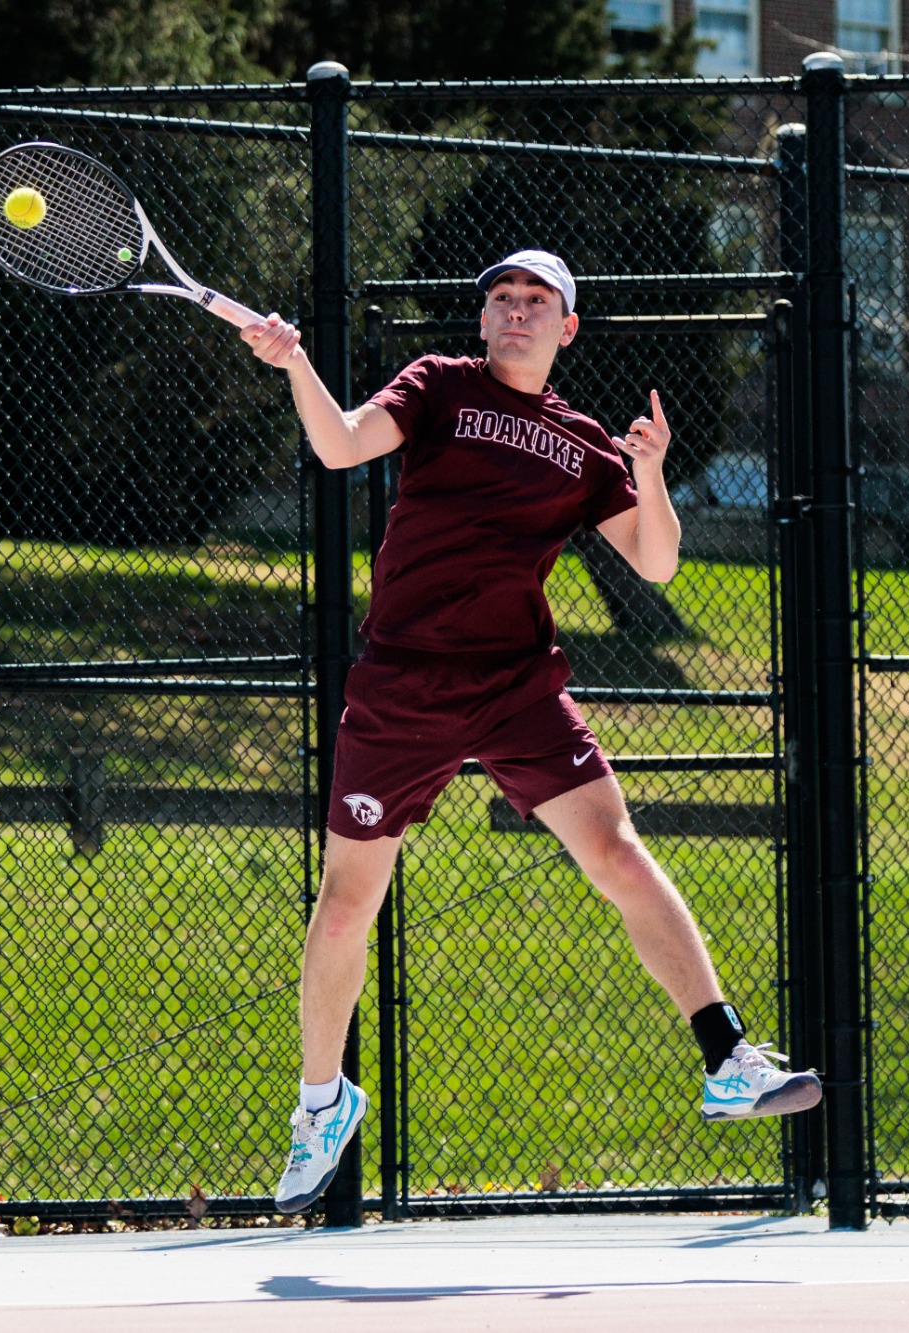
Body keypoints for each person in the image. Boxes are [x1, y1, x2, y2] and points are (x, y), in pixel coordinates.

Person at [240, 250, 821, 1216]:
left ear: (566, 327)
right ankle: (321, 1103)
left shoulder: (583, 444)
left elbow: (658, 562)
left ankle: (727, 1057)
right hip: (404, 681)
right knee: (344, 907)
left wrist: (650, 474)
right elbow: (340, 445)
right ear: (483, 321)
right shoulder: (437, 386)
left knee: (618, 852)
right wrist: (294, 361)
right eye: (502, 299)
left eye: (537, 300)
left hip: (515, 684)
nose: (516, 311)